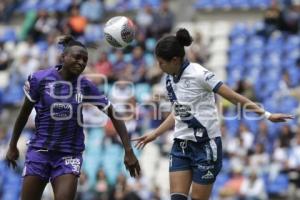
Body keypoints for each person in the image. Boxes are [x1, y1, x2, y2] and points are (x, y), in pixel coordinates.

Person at [132, 28, 293, 200]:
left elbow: (233, 97)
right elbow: (179, 112)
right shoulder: (170, 79)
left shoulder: (199, 74)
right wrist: (155, 134)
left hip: (206, 147)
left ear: (175, 60)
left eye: (161, 62)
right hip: (181, 146)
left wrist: (266, 114)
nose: (158, 66)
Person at [5, 36, 140, 200]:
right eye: (77, 57)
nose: (82, 62)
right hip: (40, 152)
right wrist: (12, 145)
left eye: (85, 59)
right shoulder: (39, 79)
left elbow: (114, 113)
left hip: (69, 155)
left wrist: (128, 150)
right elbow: (23, 114)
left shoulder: (85, 86)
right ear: (63, 57)